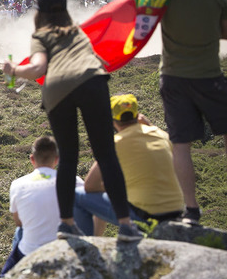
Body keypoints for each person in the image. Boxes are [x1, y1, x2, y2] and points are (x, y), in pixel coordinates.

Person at [3, 0, 143, 242]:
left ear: (40, 13)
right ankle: (126, 224)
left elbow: (38, 67)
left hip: (58, 88)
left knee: (67, 158)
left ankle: (66, 224)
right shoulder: (77, 31)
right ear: (66, 9)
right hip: (92, 80)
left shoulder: (41, 35)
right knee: (106, 155)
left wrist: (13, 70)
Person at [130, 0, 227, 226]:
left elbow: (131, 0)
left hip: (174, 78)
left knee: (181, 144)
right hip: (209, 75)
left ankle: (191, 211)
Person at [73, 94, 184, 235]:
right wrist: (150, 125)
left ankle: (87, 247)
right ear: (137, 114)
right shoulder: (162, 135)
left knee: (75, 196)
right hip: (176, 212)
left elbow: (90, 186)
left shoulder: (115, 143)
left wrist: (121, 187)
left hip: (145, 216)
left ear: (112, 119)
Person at [0, 136, 81, 276]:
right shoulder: (75, 181)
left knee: (20, 231)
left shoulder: (18, 184)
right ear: (57, 159)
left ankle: (9, 277)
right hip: (63, 250)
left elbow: (18, 221)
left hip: (29, 253)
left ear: (32, 159)